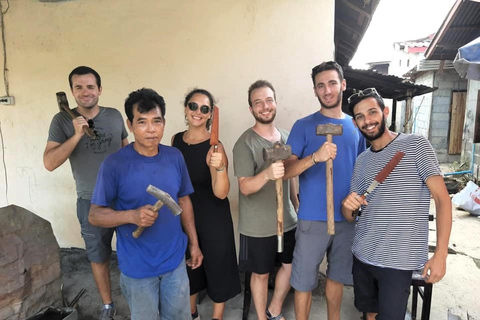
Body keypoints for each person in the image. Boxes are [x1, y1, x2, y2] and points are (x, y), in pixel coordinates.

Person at [89, 88, 203, 320]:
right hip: (138, 269)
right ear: (130, 125)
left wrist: (194, 243)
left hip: (174, 264)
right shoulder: (114, 164)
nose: (151, 129)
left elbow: (183, 200)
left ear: (164, 122)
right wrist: (131, 216)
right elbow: (95, 215)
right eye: (142, 122)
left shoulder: (174, 157)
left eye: (156, 121)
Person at [341, 88, 452, 320]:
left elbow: (442, 200)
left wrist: (440, 254)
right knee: (369, 314)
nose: (367, 121)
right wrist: (347, 205)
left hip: (398, 261)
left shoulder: (416, 145)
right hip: (362, 254)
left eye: (372, 112)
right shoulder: (362, 161)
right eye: (360, 116)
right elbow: (351, 215)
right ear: (355, 122)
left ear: (385, 112)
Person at [43, 66, 128, 319]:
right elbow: (49, 162)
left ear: (100, 89)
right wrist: (77, 134)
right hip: (90, 201)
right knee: (98, 255)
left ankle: (136, 296)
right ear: (72, 91)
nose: (85, 92)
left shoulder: (114, 116)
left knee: (131, 252)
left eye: (90, 86)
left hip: (124, 199)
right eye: (78, 87)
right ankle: (107, 305)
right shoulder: (61, 121)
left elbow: (126, 150)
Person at [283, 61, 365, 320]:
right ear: (315, 91)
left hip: (347, 218)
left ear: (342, 84)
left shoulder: (356, 126)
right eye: (321, 85)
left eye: (332, 83)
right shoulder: (303, 126)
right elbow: (286, 170)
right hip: (312, 218)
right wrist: (315, 158)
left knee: (337, 278)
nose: (327, 90)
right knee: (304, 281)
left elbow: (364, 168)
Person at [172, 88, 241, 320]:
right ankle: (192, 313)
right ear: (185, 108)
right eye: (193, 106)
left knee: (217, 266)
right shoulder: (175, 141)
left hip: (213, 217)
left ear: (211, 114)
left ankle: (216, 317)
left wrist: (220, 167)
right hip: (185, 214)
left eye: (204, 109)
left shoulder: (215, 147)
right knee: (190, 266)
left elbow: (221, 193)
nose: (198, 112)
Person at [233, 80, 299, 320]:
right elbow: (244, 187)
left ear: (275, 103)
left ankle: (275, 309)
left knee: (291, 266)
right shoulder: (245, 143)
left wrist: (295, 202)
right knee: (260, 273)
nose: (264, 106)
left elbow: (290, 175)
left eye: (268, 100)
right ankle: (261, 317)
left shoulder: (286, 136)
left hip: (288, 220)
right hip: (257, 226)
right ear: (251, 109)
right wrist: (267, 174)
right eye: (257, 102)